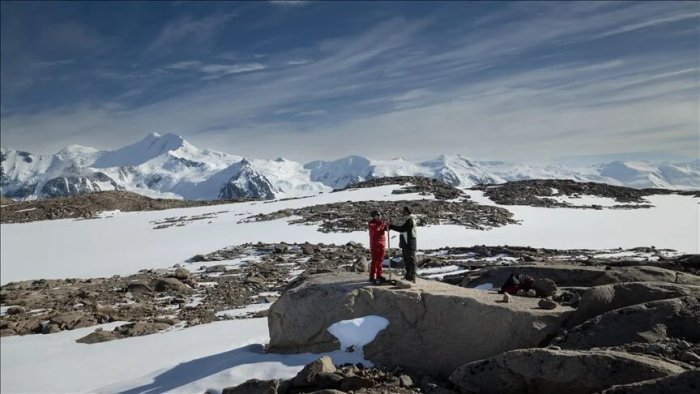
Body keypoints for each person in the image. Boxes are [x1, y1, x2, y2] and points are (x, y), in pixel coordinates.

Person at [389, 206, 417, 282]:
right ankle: (408, 275)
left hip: (409, 242)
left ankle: (412, 276)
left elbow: (402, 229)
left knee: (411, 260)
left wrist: (391, 227)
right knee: (407, 260)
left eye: (404, 212)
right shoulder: (406, 220)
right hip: (405, 243)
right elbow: (403, 232)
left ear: (408, 212)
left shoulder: (410, 220)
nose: (403, 213)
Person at [368, 210, 388, 284]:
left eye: (379, 215)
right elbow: (377, 229)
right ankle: (372, 276)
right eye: (377, 215)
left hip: (382, 243)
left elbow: (386, 229)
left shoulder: (381, 222)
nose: (379, 216)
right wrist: (382, 224)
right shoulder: (371, 223)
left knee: (380, 260)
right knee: (374, 260)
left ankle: (379, 275)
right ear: (374, 216)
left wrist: (388, 226)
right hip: (374, 244)